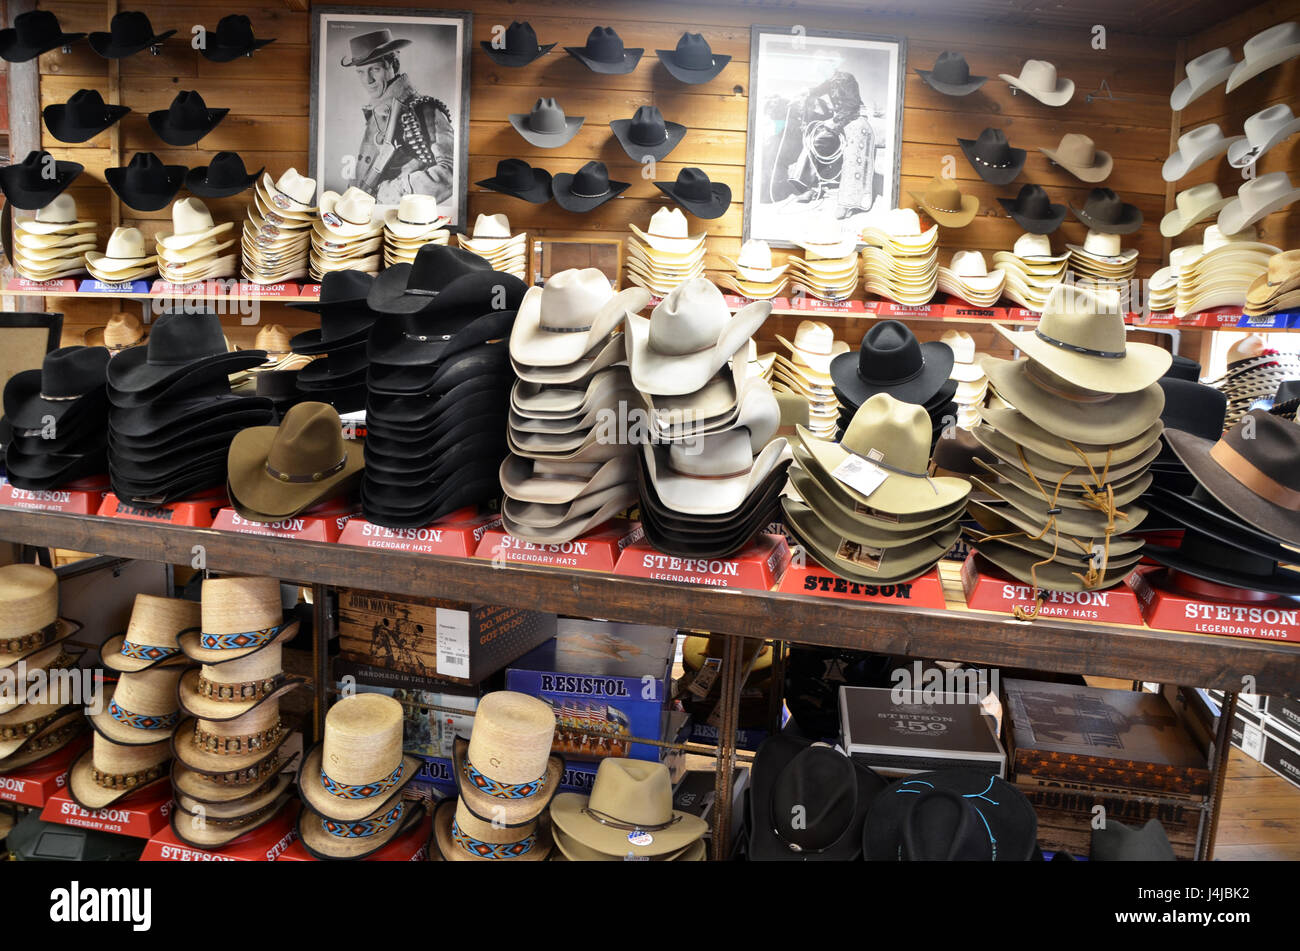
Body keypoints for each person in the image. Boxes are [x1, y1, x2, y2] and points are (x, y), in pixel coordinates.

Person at [342, 29, 454, 205]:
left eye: (375, 69)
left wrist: (389, 194)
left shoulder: (423, 109)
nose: (368, 80)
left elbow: (450, 174)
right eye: (361, 72)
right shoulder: (375, 111)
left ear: (394, 64)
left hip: (399, 218)